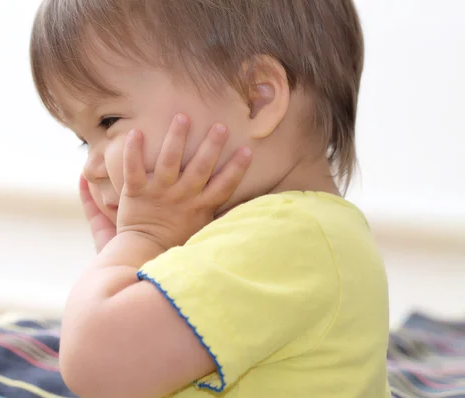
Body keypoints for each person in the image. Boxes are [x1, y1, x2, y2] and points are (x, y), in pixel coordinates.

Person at [29, 0, 391, 397]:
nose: (91, 168)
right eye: (84, 141)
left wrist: (142, 237)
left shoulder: (290, 239)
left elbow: (95, 366)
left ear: (256, 99)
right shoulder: (285, 236)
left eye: (108, 122)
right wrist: (130, 262)